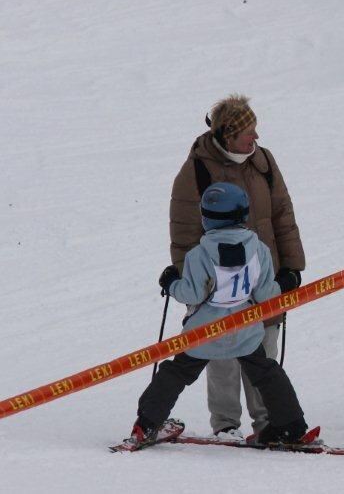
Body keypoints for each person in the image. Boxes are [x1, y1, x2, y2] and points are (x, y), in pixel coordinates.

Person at [169, 94, 305, 439]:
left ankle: (268, 422)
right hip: (218, 283)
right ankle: (226, 424)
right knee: (221, 353)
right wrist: (192, 282)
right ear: (227, 134)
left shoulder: (263, 161)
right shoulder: (197, 169)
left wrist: (291, 265)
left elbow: (282, 215)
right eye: (248, 131)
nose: (255, 137)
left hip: (262, 273)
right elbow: (184, 232)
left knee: (264, 348)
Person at [129, 183, 307, 445]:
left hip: (205, 333)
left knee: (175, 373)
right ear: (244, 215)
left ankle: (147, 424)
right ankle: (291, 427)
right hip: (245, 330)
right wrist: (287, 282)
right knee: (267, 373)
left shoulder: (198, 255)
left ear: (205, 218)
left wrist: (171, 284)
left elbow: (192, 295)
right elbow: (266, 294)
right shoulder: (259, 250)